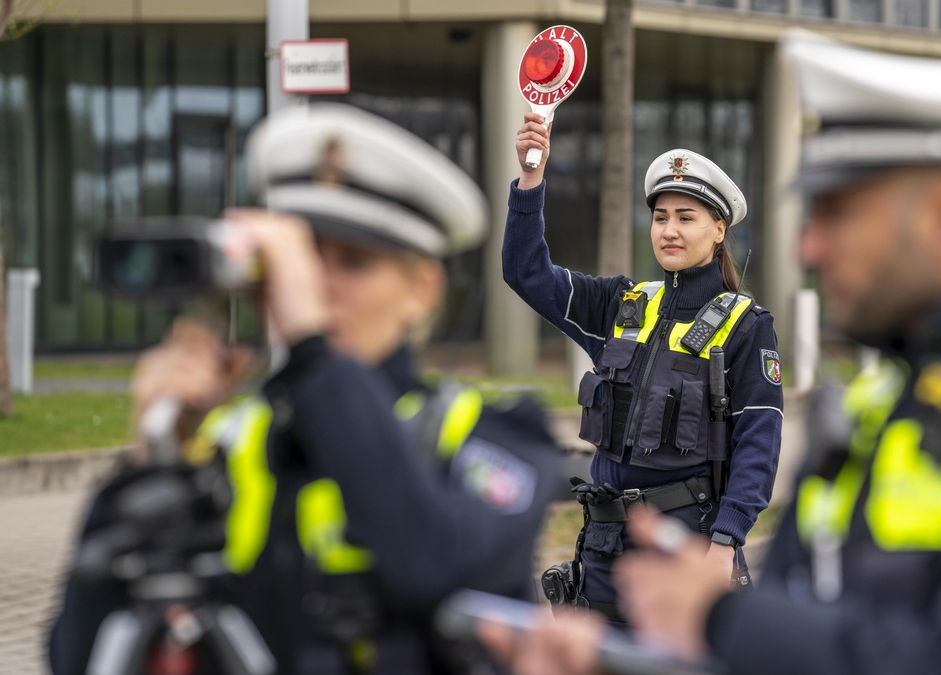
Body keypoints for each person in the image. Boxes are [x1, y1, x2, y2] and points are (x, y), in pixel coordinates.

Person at [482, 35, 941, 675]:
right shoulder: (878, 404)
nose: (807, 247)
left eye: (837, 212)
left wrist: (722, 610)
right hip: (607, 556)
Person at [49, 103, 564, 675]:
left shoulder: (497, 431)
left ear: (423, 288)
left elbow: (433, 565)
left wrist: (313, 351)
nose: (318, 286)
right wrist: (149, 459)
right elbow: (78, 656)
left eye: (355, 262)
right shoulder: (229, 441)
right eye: (304, 259)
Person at [505, 113, 784, 621]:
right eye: (660, 217)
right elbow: (525, 272)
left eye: (687, 217)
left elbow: (759, 441)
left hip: (685, 545)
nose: (670, 230)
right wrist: (530, 179)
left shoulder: (746, 325)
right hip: (603, 547)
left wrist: (726, 542)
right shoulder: (621, 303)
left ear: (719, 229)